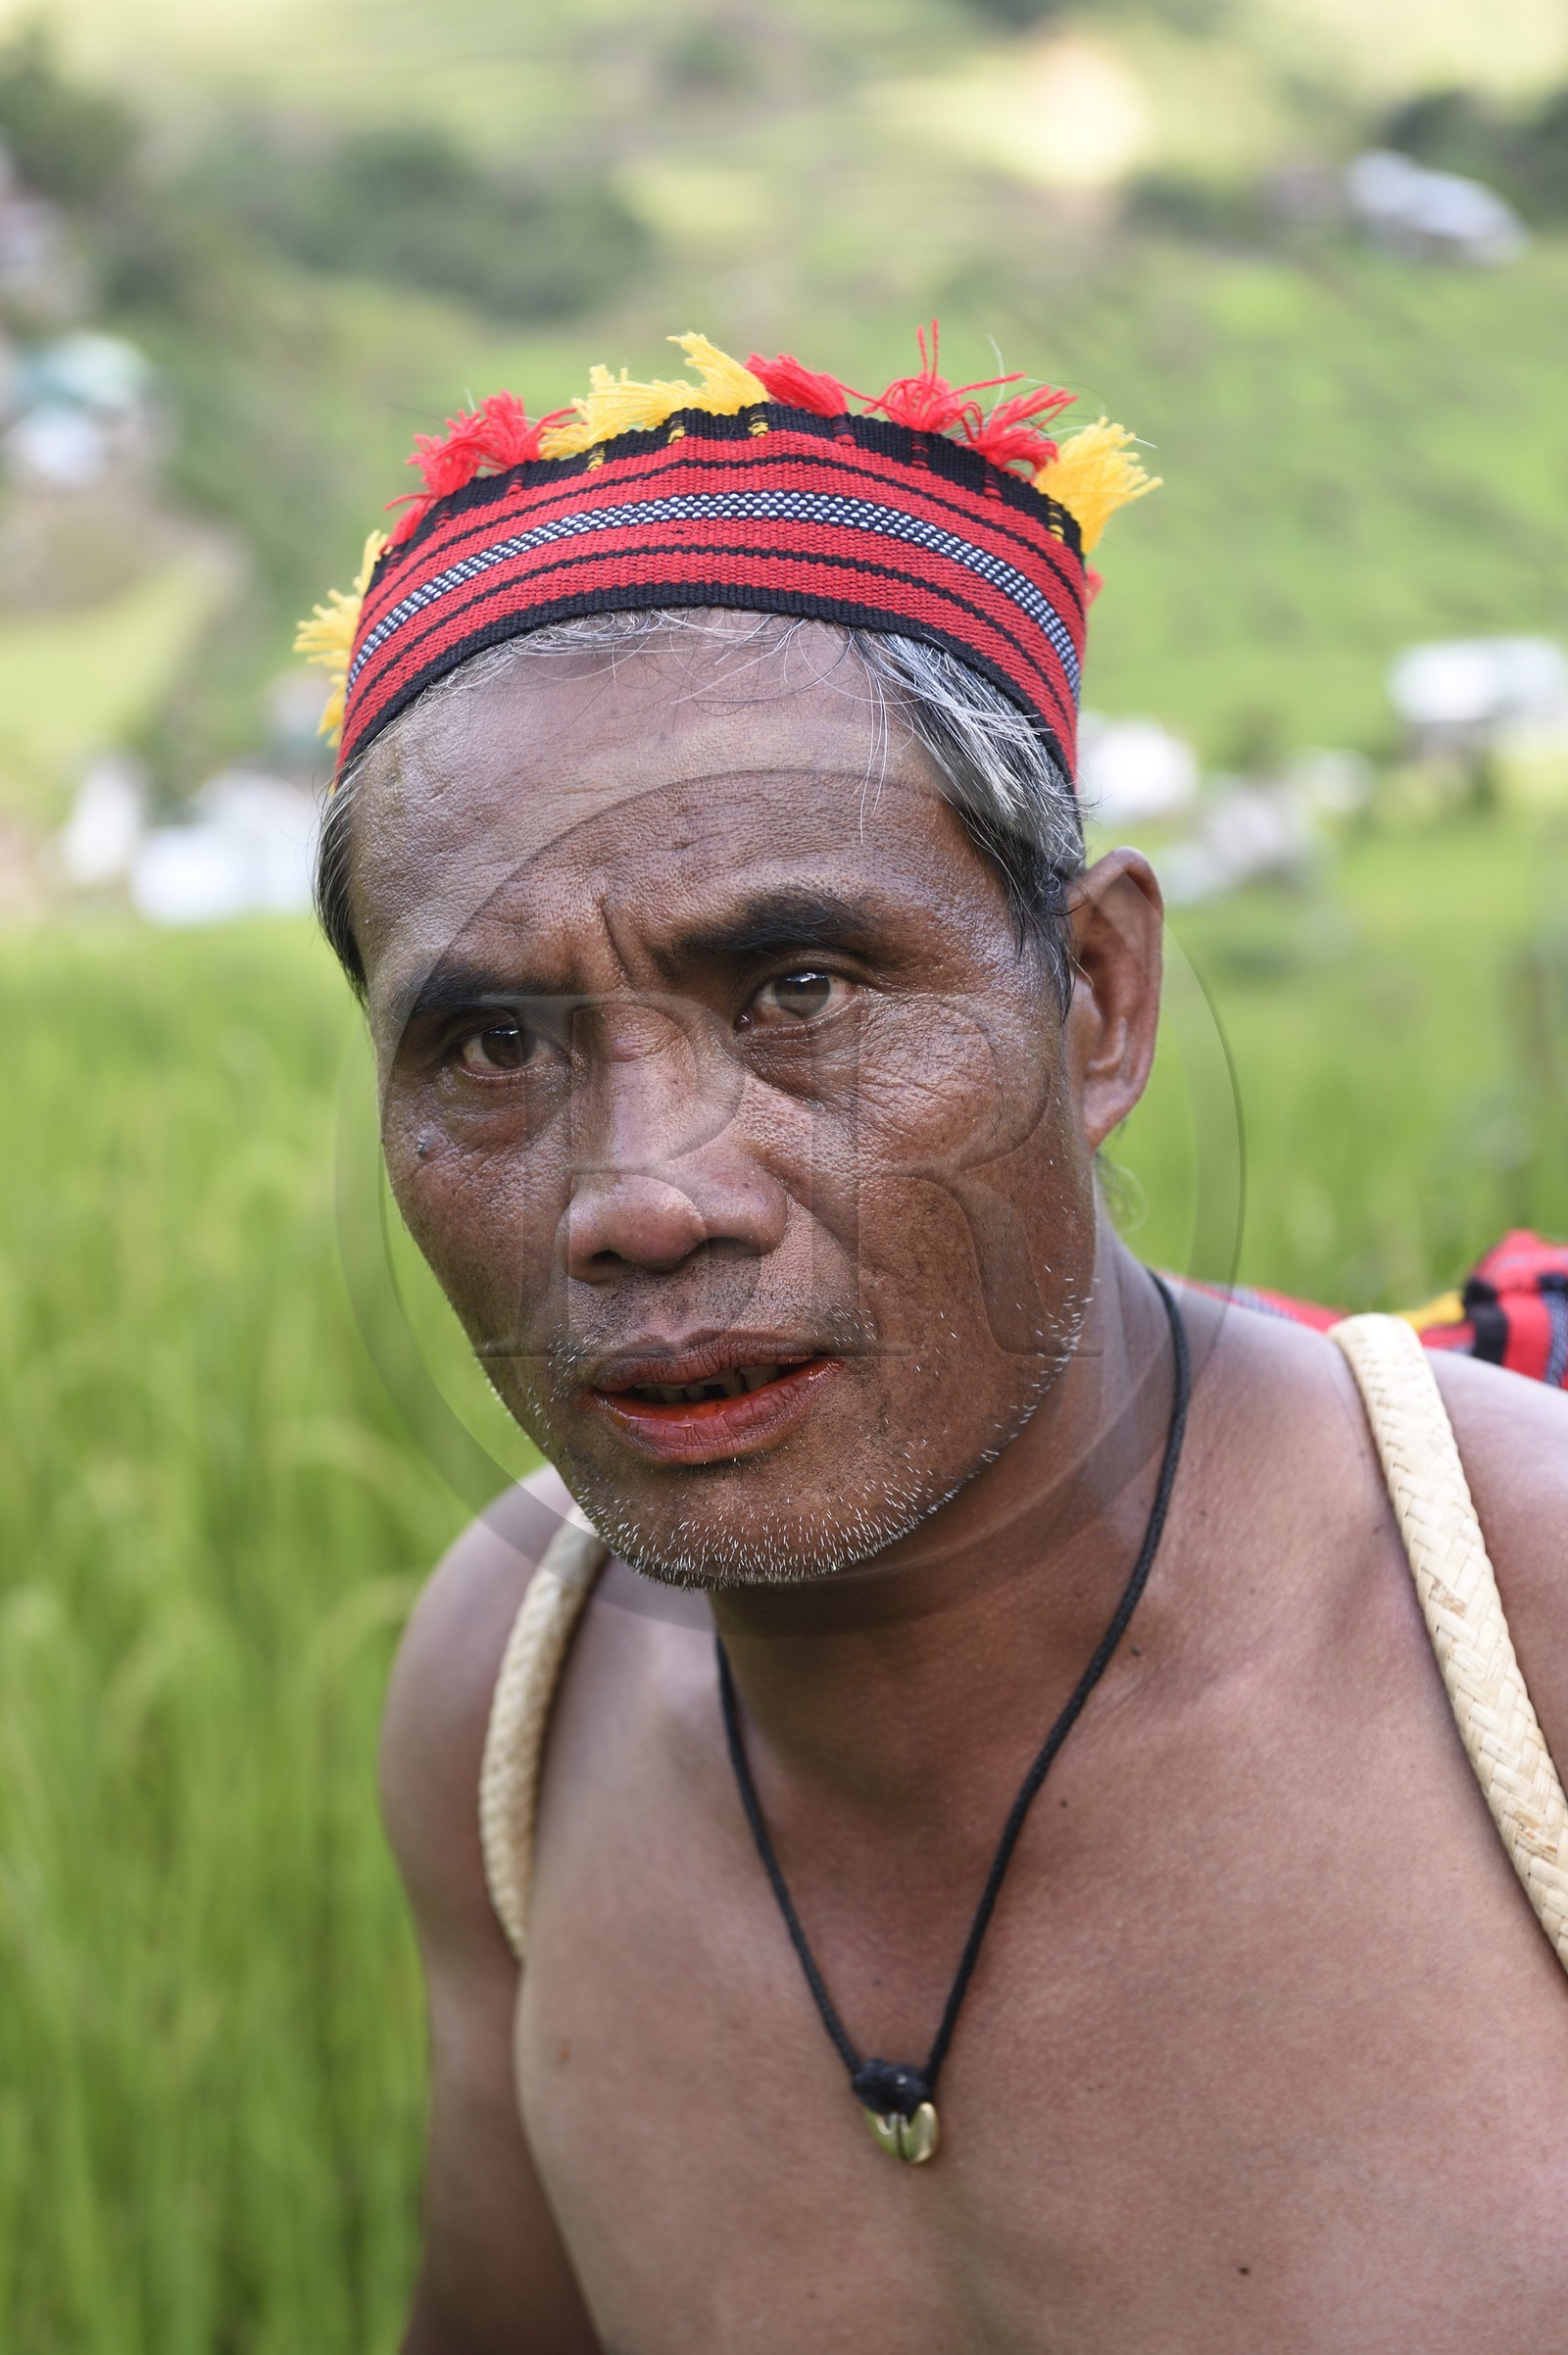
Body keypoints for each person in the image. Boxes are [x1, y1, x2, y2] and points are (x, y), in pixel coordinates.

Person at [300, 331, 1568, 2354]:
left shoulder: (1518, 1633)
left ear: (1097, 996)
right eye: (492, 1044)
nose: (643, 1197)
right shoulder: (513, 1704)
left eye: (798, 988)